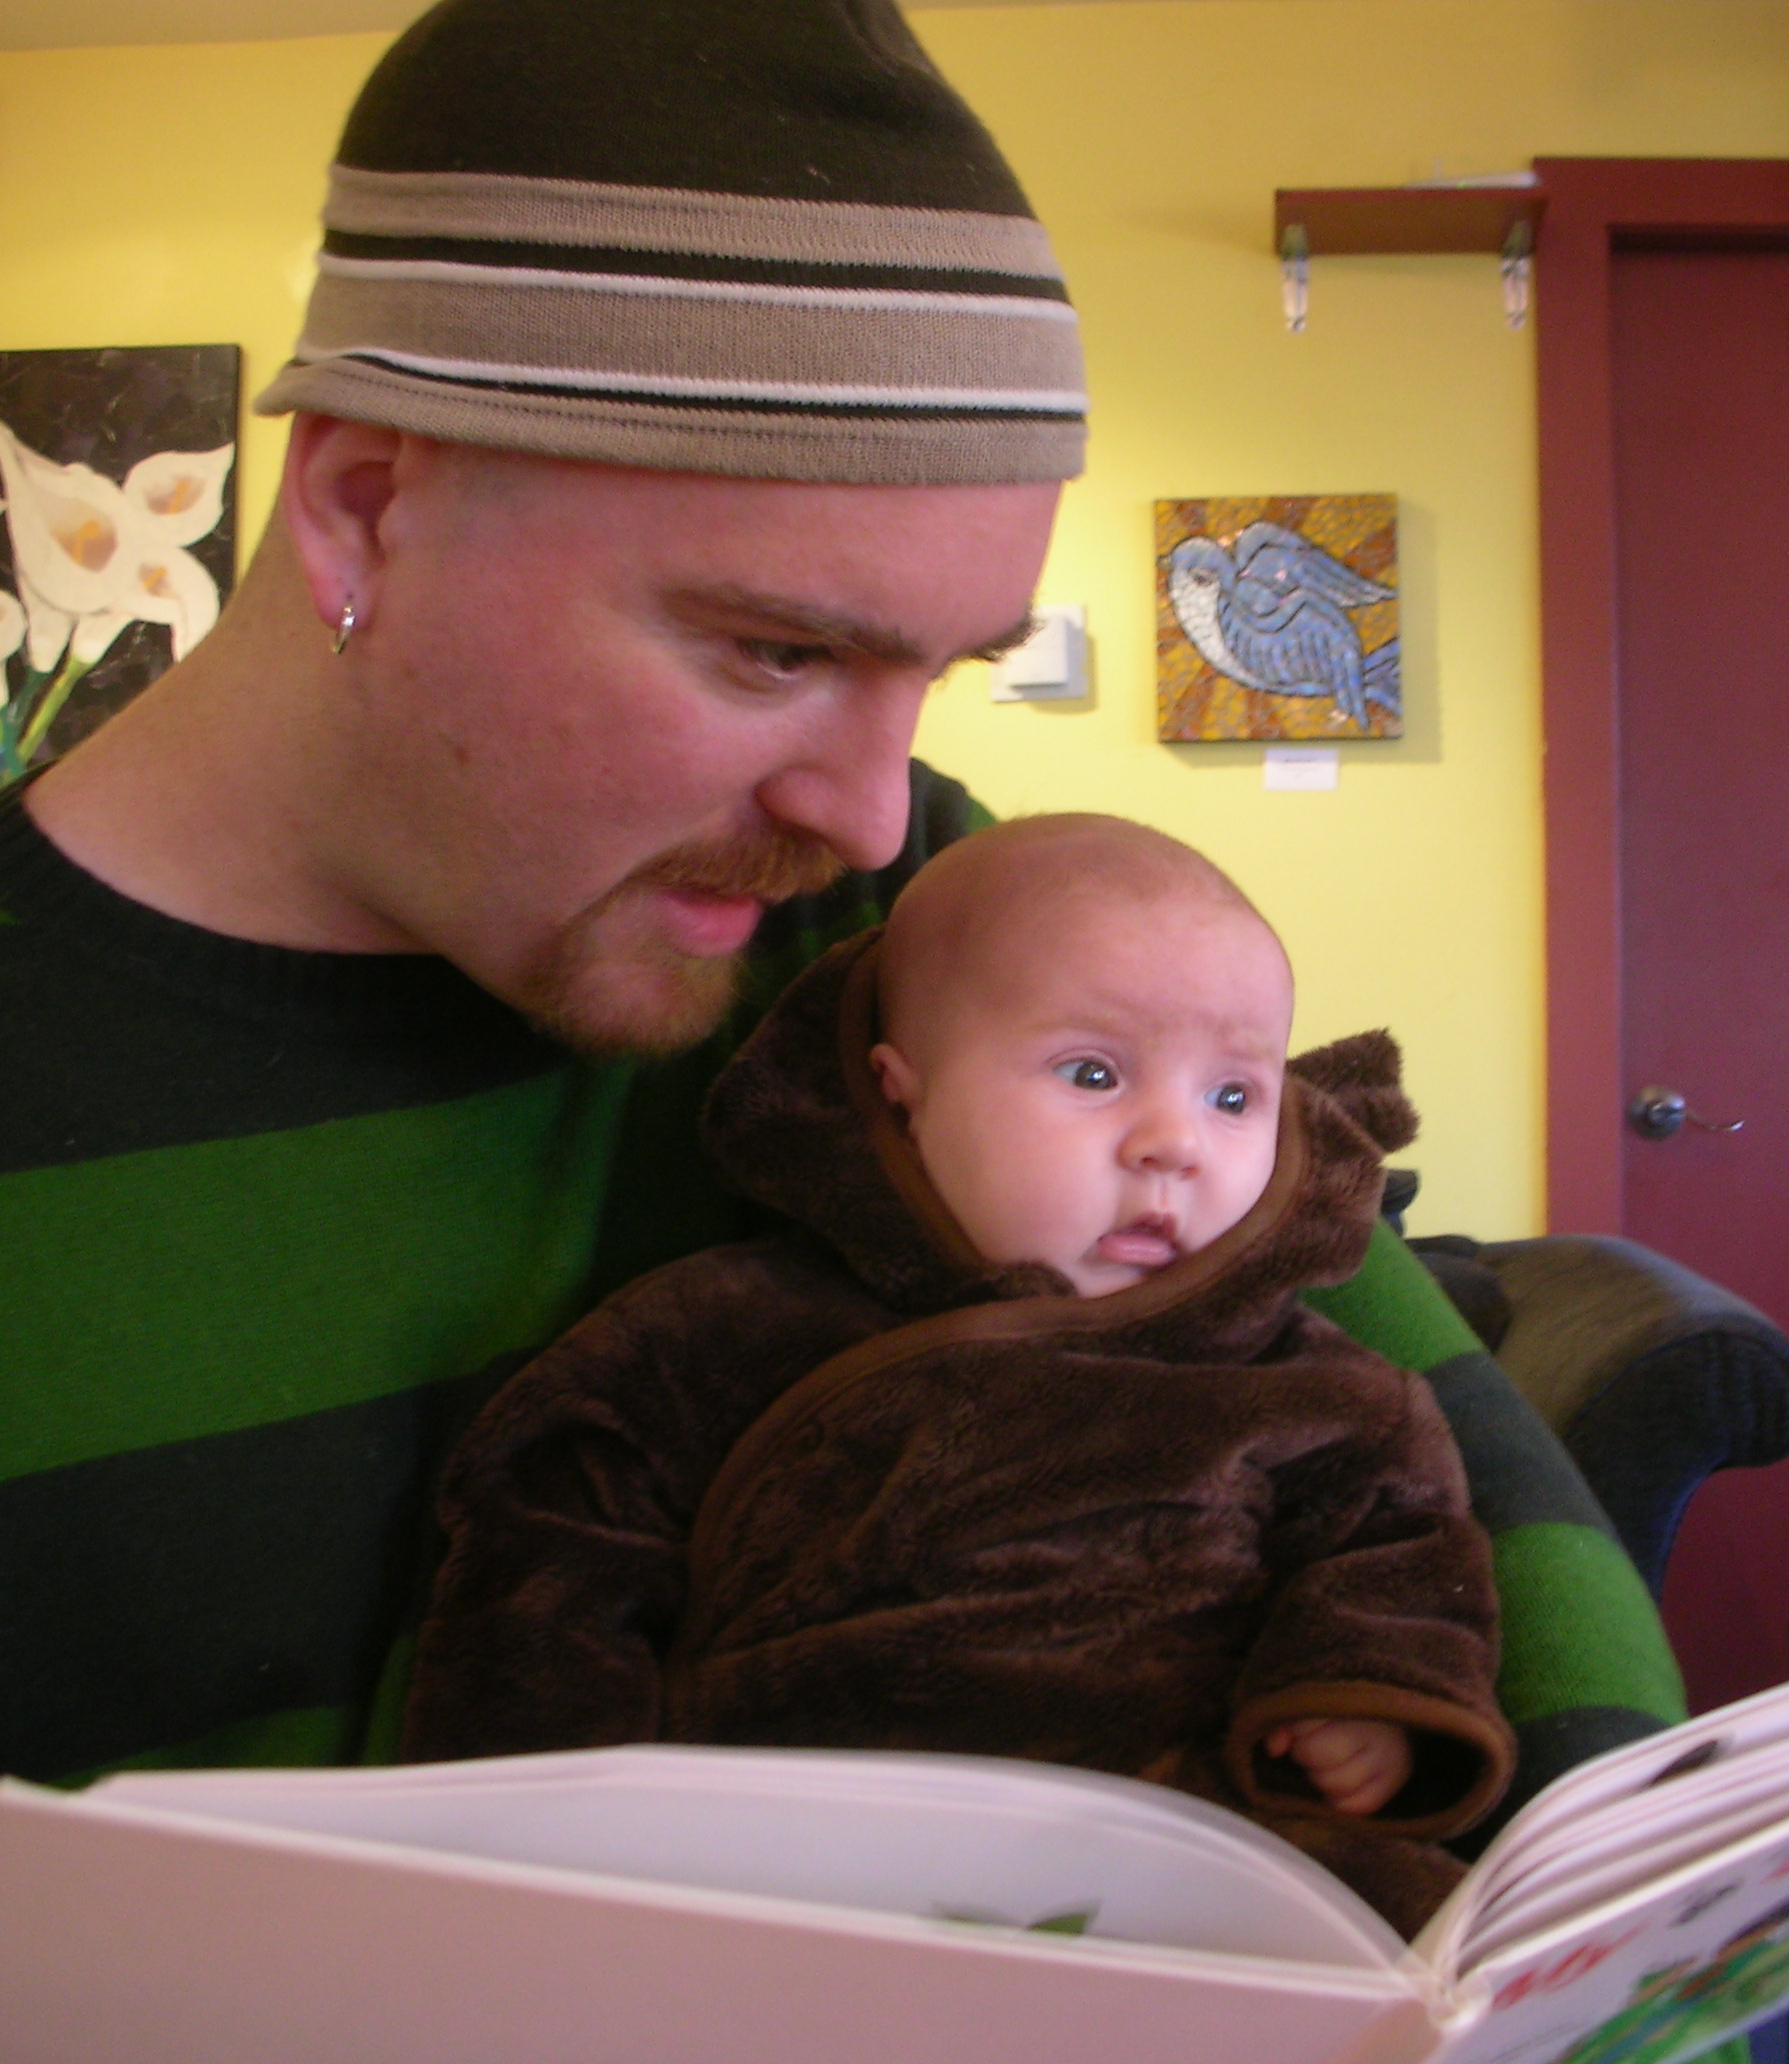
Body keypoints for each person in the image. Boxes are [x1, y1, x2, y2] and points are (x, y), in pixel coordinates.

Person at [0, 0, 1680, 2057]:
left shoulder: (895, 917)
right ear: (363, 503)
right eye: (774, 652)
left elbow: (1455, 1465)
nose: (868, 805)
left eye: (933, 673)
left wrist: (1582, 1963)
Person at [407, 816, 1516, 1931]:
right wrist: (556, 1806)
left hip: (1191, 1836)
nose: (1174, 1143)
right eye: (1092, 1074)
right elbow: (555, 1539)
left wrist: (1364, 1700)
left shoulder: (1308, 1382)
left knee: (1430, 1934)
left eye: (1232, 1097)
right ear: (903, 1092)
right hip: (800, 1843)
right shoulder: (725, 1327)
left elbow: (1398, 1546)